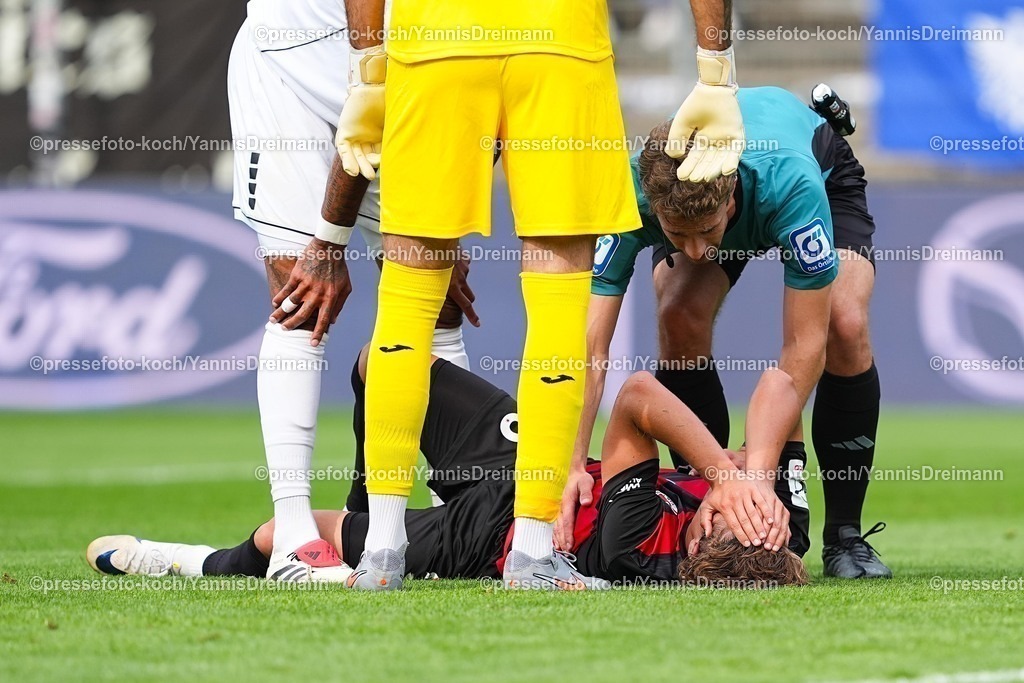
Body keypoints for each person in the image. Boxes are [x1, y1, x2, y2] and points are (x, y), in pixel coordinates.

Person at [336, 0, 787, 591]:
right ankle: (530, 553)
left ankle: (381, 551)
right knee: (556, 307)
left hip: (434, 45)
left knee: (405, 300)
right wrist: (715, 69)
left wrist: (368, 62)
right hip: (558, 44)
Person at [87, 349, 809, 588]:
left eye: (726, 509)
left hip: (490, 531)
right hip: (530, 462)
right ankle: (378, 492)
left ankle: (175, 560)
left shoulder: (637, 540)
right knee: (384, 364)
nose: (739, 495)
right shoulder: (782, 526)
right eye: (751, 502)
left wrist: (719, 470)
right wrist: (759, 470)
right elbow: (782, 385)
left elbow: (638, 396)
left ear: (696, 539)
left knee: (284, 535)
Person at [569, 85, 891, 579]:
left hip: (816, 170)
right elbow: (590, 348)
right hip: (710, 199)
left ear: (729, 198)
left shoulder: (791, 188)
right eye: (678, 235)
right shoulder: (627, 196)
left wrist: (756, 482)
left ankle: (845, 535)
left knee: (844, 325)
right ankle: (699, 490)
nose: (696, 252)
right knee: (678, 313)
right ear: (655, 210)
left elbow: (802, 349)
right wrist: (571, 463)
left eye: (707, 232)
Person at [226, 0, 473, 582]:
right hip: (292, 60)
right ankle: (293, 539)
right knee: (300, 294)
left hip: (417, 71)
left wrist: (448, 218)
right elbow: (372, 82)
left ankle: (454, 517)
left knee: (436, 299)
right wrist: (328, 241)